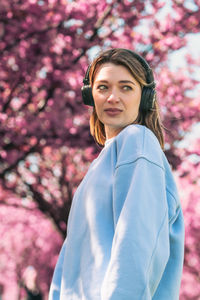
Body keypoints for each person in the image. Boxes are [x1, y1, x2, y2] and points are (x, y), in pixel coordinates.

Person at [49, 48, 185, 300]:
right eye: (103, 87)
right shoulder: (98, 167)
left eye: (126, 87)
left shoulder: (138, 142)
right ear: (91, 96)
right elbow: (68, 265)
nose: (113, 97)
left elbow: (137, 244)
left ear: (145, 98)